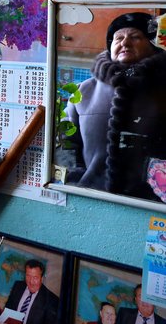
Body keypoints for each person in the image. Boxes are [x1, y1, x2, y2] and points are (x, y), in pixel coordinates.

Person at [56, 12, 166, 200]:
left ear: (152, 46)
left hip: (148, 204)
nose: (125, 43)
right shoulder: (84, 90)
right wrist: (76, 178)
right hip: (89, 197)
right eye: (118, 38)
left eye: (135, 37)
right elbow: (65, 140)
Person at [0, 259, 59, 324]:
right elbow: (8, 308)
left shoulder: (51, 299)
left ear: (42, 278)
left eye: (35, 278)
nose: (31, 282)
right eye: (28, 276)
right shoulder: (18, 286)